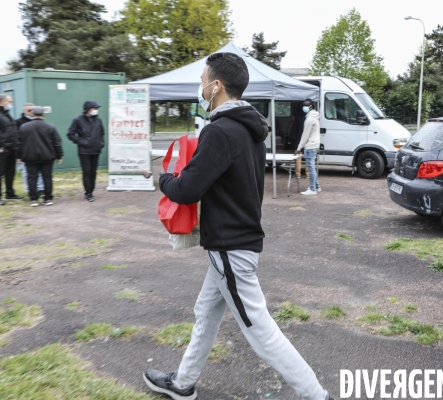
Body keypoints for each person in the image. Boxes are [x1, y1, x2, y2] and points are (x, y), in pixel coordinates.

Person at [144, 52, 333, 400]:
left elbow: (186, 190)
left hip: (230, 246)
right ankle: (183, 383)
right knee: (206, 311)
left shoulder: (219, 132)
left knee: (260, 331)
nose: (200, 87)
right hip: (237, 242)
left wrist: (165, 177)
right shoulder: (250, 128)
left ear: (216, 86)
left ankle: (317, 395)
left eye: (202, 81)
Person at [19, 107, 63, 207]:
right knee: (47, 177)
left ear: (33, 114)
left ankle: (33, 199)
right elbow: (57, 143)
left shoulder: (24, 127)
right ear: (44, 115)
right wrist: (59, 155)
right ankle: (48, 198)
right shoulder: (50, 127)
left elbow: (19, 143)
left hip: (30, 157)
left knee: (31, 178)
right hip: (47, 157)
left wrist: (19, 156)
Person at [67, 100, 105, 202]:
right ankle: (88, 193)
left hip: (96, 150)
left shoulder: (98, 120)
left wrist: (101, 143)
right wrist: (81, 142)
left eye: (96, 108)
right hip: (84, 151)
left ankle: (91, 190)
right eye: (94, 108)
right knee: (87, 172)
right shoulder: (78, 120)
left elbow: (102, 133)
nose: (96, 110)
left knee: (93, 171)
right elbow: (70, 134)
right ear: (88, 109)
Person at [16, 103, 45, 196]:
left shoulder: (40, 122)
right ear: (24, 111)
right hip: (26, 151)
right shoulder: (18, 122)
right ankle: (30, 190)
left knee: (40, 171)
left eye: (33, 110)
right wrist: (19, 154)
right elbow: (17, 139)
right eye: (29, 110)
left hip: (39, 150)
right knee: (26, 172)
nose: (31, 112)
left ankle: (40, 188)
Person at [0, 94, 24, 204]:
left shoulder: (7, 115)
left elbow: (13, 133)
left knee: (10, 172)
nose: (11, 104)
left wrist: (17, 148)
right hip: (3, 149)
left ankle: (10, 193)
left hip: (11, 148)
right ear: (2, 101)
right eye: (10, 102)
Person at [294, 98, 321, 195]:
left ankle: (312, 189)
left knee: (311, 168)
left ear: (310, 106)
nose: (303, 107)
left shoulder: (309, 119)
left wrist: (298, 148)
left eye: (305, 105)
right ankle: (317, 187)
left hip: (310, 146)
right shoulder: (315, 117)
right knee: (312, 167)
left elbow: (305, 135)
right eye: (303, 105)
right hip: (314, 145)